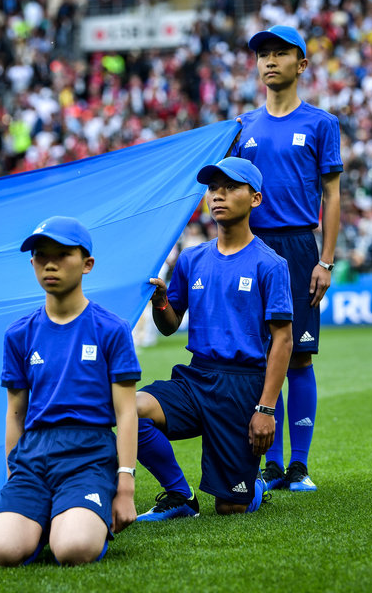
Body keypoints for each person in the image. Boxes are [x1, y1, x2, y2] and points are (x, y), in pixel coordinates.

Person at [135, 157, 293, 519]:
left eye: (230, 188)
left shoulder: (270, 264)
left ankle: (252, 484)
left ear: (255, 199)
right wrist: (161, 302)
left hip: (242, 386)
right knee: (129, 408)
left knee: (230, 506)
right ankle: (179, 495)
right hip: (196, 377)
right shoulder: (191, 259)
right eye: (212, 189)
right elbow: (170, 325)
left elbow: (283, 342)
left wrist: (266, 409)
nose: (218, 196)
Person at [0, 216, 141, 566]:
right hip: (33, 457)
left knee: (73, 549)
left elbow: (127, 412)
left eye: (62, 254)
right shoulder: (18, 334)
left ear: (87, 264)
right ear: (31, 263)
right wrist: (14, 474)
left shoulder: (111, 328)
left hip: (90, 455)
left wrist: (125, 484)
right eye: (41, 255)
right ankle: (45, 518)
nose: (49, 264)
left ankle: (72, 523)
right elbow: (15, 412)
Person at [232, 25, 343, 492]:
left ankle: (299, 465)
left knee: (299, 359)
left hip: (299, 248)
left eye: (280, 53)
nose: (269, 61)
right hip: (251, 249)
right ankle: (269, 465)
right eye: (263, 54)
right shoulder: (240, 127)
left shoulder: (321, 123)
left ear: (301, 65)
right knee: (258, 357)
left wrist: (327, 260)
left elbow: (333, 197)